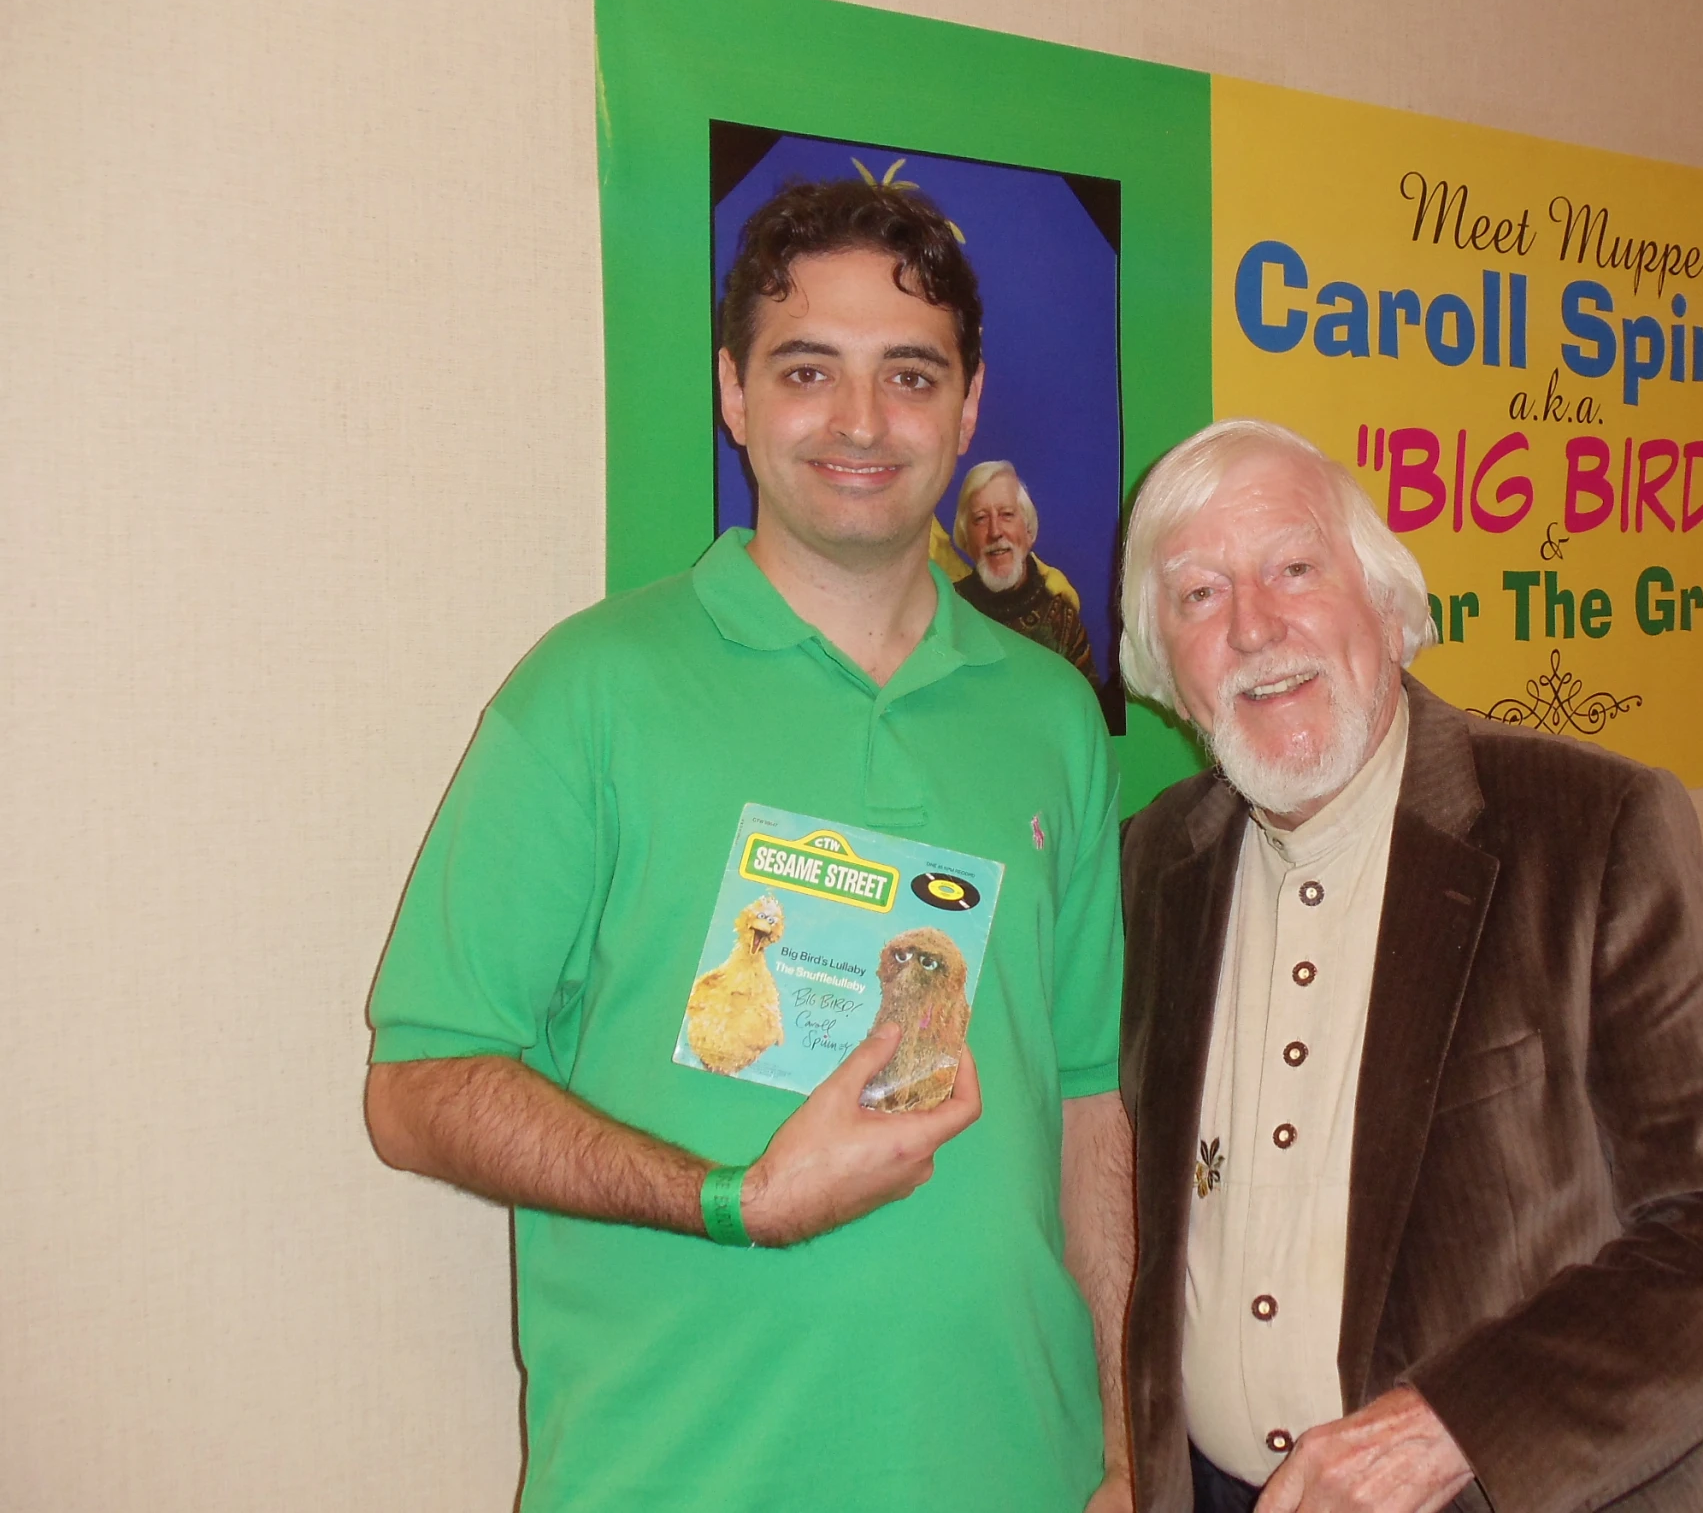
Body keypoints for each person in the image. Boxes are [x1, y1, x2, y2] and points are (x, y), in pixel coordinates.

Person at [364, 179, 1134, 1513]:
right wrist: (733, 1196)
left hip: (1022, 1470)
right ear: (732, 392)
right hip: (682, 1476)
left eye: (908, 375)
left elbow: (1083, 1108)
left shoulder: (1054, 714)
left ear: (968, 404)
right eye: (805, 369)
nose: (858, 421)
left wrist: (1122, 1450)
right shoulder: (591, 690)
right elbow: (419, 1083)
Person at [1113, 418, 1703, 1513]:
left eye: (1293, 569)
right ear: (1161, 664)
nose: (1254, 628)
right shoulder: (1158, 859)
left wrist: (1450, 1428)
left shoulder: (1586, 829)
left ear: (1386, 607)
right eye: (1197, 597)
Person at [953, 458, 1098, 683]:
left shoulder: (1062, 620)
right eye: (980, 519)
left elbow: (1087, 710)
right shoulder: (946, 611)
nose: (995, 532)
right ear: (965, 539)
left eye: (1007, 514)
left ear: (1028, 531)